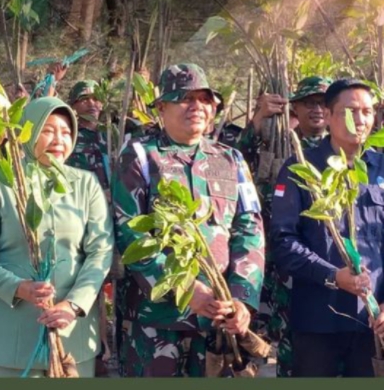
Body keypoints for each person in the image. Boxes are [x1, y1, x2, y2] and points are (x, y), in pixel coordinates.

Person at [112, 63, 265, 377]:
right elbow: (131, 235)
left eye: (204, 99)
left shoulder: (231, 160)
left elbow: (250, 228)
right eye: (184, 98)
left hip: (219, 320)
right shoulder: (140, 157)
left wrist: (240, 298)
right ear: (162, 108)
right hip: (158, 321)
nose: (196, 106)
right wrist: (184, 288)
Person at [0, 96, 114, 377]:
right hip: (10, 342)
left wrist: (73, 304)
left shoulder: (85, 184)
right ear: (27, 133)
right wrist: (18, 287)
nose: (59, 140)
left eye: (66, 132)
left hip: (73, 337)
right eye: (48, 130)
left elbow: (100, 252)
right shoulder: (3, 184)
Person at [270, 79, 384, 377]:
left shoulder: (381, 169)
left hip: (374, 322)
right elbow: (283, 241)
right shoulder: (301, 169)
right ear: (330, 115)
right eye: (349, 111)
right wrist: (333, 276)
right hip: (318, 321)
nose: (359, 120)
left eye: (367, 111)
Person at [244, 76, 332, 377]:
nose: (317, 109)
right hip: (278, 256)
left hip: (325, 261)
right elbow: (235, 159)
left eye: (323, 102)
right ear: (294, 108)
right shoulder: (277, 142)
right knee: (287, 339)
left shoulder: (341, 150)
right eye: (309, 103)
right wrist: (258, 119)